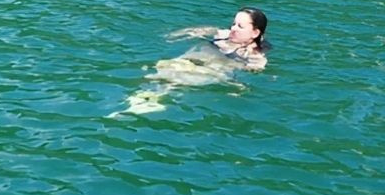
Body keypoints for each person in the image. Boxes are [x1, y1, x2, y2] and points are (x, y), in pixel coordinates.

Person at [112, 8, 269, 116]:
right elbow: (199, 31)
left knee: (180, 79)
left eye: (240, 26)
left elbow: (255, 69)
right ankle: (142, 97)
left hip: (212, 69)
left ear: (255, 32)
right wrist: (177, 35)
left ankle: (153, 100)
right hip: (192, 60)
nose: (234, 28)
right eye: (233, 23)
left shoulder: (255, 55)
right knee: (164, 70)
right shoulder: (223, 34)